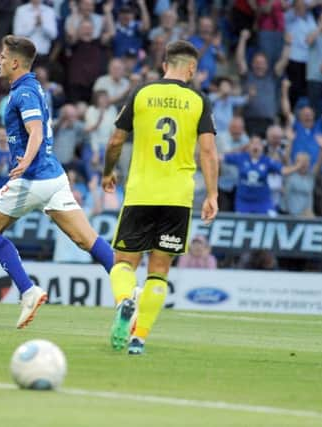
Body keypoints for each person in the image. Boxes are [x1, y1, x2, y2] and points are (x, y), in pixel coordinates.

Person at [0, 35, 114, 329]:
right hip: (55, 178)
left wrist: (25, 160)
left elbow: (35, 130)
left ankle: (28, 290)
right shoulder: (33, 86)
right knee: (86, 239)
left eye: (2, 56)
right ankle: (128, 288)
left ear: (15, 62)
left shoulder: (23, 93)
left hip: (31, 180)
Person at [101, 40, 219, 355]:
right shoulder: (198, 100)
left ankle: (126, 301)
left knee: (124, 263)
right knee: (159, 270)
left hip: (141, 192)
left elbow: (115, 141)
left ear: (164, 64)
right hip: (178, 197)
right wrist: (212, 194)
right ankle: (139, 339)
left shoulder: (141, 93)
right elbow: (207, 151)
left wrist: (107, 171)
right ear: (191, 68)